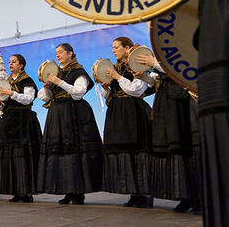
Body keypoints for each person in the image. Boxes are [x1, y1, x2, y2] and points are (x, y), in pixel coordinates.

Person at [37, 43, 103, 205]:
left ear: (70, 53)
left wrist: (59, 82)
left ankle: (78, 191)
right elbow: (43, 98)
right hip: (57, 114)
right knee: (61, 153)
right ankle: (67, 190)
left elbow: (78, 93)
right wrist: (47, 87)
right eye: (56, 53)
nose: (58, 55)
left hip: (74, 114)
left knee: (75, 152)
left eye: (60, 52)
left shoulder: (78, 71)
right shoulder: (55, 72)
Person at [134, 54, 201, 213]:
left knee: (188, 149)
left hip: (182, 103)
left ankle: (198, 198)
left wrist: (154, 63)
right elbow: (158, 81)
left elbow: (180, 69)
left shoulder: (178, 51)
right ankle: (185, 197)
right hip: (167, 104)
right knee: (175, 152)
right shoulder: (162, 57)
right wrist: (144, 76)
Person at [100, 37, 154, 208]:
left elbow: (137, 89)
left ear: (127, 47)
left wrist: (117, 77)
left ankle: (145, 193)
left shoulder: (135, 64)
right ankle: (133, 193)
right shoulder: (114, 67)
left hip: (133, 111)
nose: (114, 50)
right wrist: (107, 87)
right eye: (113, 47)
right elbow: (109, 95)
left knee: (137, 150)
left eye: (117, 47)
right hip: (117, 112)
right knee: (124, 152)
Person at [0, 54, 42, 203]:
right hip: (9, 121)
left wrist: (11, 93)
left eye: (13, 62)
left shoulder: (27, 81)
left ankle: (26, 191)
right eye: (9, 62)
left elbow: (28, 98)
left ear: (21, 65)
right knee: (11, 156)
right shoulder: (5, 82)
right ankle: (15, 190)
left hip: (24, 120)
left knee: (24, 156)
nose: (10, 64)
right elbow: (3, 105)